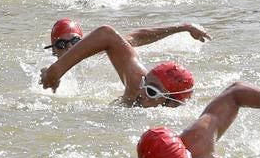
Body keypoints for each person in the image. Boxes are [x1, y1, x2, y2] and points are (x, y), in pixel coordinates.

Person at [40, 21, 210, 107]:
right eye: (62, 45)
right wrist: (56, 71)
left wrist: (183, 27)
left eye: (151, 91)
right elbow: (109, 34)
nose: (142, 91)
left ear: (172, 103)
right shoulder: (137, 84)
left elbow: (134, 38)